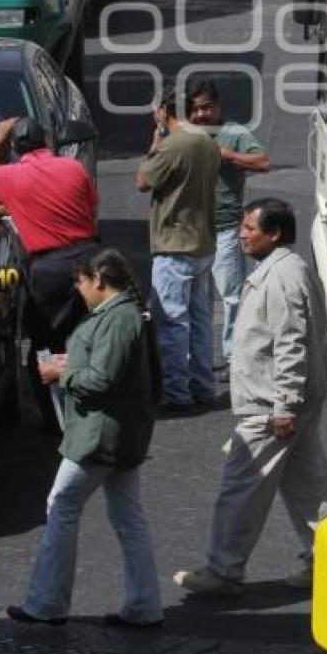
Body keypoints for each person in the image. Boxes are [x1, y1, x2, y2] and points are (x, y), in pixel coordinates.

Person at [173, 198, 327, 594]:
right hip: (291, 401)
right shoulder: (289, 269)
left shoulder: (280, 277)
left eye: (249, 229)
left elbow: (290, 343)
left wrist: (283, 405)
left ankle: (223, 570)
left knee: (241, 489)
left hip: (271, 405)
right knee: (308, 489)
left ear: (274, 233)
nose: (242, 235)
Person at [7, 248, 164, 628]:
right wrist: (70, 364)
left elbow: (101, 380)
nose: (78, 291)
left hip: (98, 435)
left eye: (80, 283)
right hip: (120, 434)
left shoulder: (118, 319)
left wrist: (61, 375)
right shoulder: (126, 314)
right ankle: (144, 605)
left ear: (98, 280)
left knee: (61, 506)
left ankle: (47, 603)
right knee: (128, 518)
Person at [0, 116, 99, 349]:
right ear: (45, 140)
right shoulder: (74, 167)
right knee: (98, 334)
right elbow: (91, 207)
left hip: (49, 272)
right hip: (91, 260)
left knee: (52, 344)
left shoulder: (11, 176)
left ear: (14, 145)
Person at [135, 83, 222, 409]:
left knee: (172, 323)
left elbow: (143, 181)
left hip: (174, 244)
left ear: (164, 111)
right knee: (200, 321)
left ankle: (176, 392)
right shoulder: (206, 142)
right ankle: (204, 386)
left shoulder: (173, 146)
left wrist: (156, 140)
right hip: (203, 242)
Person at [186, 80, 270, 367]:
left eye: (207, 108)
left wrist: (229, 156)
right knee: (196, 300)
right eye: (195, 109)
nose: (201, 115)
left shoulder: (233, 133)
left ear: (219, 106)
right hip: (192, 233)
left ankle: (234, 355)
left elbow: (262, 161)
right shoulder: (186, 134)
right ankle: (198, 357)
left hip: (225, 229)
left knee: (231, 297)